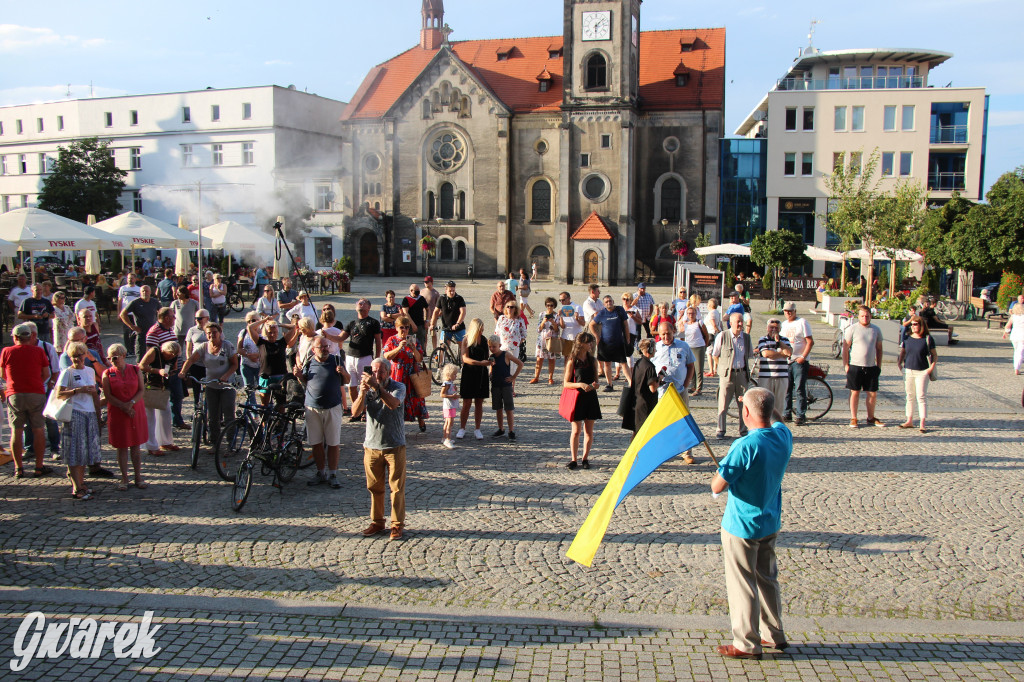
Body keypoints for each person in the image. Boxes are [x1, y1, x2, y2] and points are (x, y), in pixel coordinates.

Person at [710, 386, 792, 660]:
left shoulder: (745, 445)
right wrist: (761, 399)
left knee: (742, 584)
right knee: (767, 579)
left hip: (742, 525)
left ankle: (746, 643)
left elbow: (718, 485)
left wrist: (720, 472)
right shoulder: (783, 435)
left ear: (745, 411)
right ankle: (774, 634)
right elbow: (776, 418)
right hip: (770, 520)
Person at [352, 357, 407, 541]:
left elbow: (393, 404)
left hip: (394, 445)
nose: (376, 375)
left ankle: (397, 525)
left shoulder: (399, 387)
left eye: (380, 371)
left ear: (388, 373)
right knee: (374, 487)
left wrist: (377, 387)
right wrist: (361, 393)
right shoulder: (367, 389)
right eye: (374, 371)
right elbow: (355, 412)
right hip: (372, 446)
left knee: (396, 488)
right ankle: (377, 522)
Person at [294, 335, 349, 488]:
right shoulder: (309, 362)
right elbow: (305, 381)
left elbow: (348, 380)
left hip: (332, 407)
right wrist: (299, 376)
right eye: (321, 347)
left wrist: (343, 372)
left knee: (333, 443)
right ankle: (321, 472)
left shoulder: (336, 360)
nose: (325, 349)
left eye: (326, 346)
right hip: (312, 407)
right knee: (316, 442)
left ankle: (332, 474)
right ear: (313, 349)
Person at [1, 324, 52, 478]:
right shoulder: (38, 351)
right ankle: (38, 466)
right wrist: (36, 382)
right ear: (30, 337)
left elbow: (3, 374)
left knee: (16, 431)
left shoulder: (7, 351)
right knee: (38, 430)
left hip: (15, 394)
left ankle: (19, 468)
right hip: (36, 392)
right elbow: (46, 373)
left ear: (15, 338)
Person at [54, 342, 103, 500]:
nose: (78, 358)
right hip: (75, 413)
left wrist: (97, 412)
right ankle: (76, 486)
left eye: (80, 355)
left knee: (85, 451)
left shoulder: (89, 371)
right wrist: (77, 390)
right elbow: (59, 394)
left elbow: (95, 393)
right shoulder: (67, 372)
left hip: (89, 412)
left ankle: (82, 483)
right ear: (70, 357)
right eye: (74, 356)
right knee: (75, 450)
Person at [178, 322, 238, 448]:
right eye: (209, 333)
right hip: (211, 385)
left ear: (220, 333)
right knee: (212, 416)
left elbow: (234, 364)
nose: (211, 335)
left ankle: (230, 443)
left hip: (227, 386)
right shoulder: (204, 347)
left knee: (228, 415)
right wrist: (183, 372)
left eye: (214, 332)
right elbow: (191, 359)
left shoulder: (227, 346)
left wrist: (226, 376)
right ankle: (215, 443)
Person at [101, 343, 148, 491]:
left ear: (123, 355)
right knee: (121, 446)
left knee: (135, 445)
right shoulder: (107, 374)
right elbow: (108, 395)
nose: (112, 360)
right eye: (110, 358)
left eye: (115, 357)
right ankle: (124, 477)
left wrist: (131, 404)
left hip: (135, 410)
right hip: (118, 412)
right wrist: (123, 406)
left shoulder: (135, 370)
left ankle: (138, 476)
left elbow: (141, 390)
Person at [652, 320, 697, 463]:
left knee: (683, 421)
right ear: (659, 335)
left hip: (680, 390)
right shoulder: (655, 348)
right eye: (663, 334)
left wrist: (686, 383)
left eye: (668, 334)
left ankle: (687, 451)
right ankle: (663, 451)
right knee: (662, 422)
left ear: (674, 332)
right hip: (662, 392)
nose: (666, 337)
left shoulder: (683, 346)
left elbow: (691, 366)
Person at [382, 315, 428, 431]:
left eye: (407, 327)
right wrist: (398, 348)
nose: (404, 330)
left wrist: (413, 349)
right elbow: (386, 355)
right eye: (402, 327)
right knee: (398, 397)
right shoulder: (392, 340)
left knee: (416, 397)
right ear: (396, 328)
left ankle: (420, 420)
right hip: (397, 373)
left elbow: (419, 359)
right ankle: (398, 422)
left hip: (412, 373)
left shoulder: (413, 340)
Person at [712, 312, 754, 440]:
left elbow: (750, 355)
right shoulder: (722, 336)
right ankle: (721, 430)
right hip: (727, 375)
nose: (741, 324)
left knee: (744, 404)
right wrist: (722, 368)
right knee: (723, 404)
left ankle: (743, 430)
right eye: (738, 322)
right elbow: (715, 355)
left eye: (742, 321)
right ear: (731, 323)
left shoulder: (746, 338)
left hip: (742, 374)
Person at [563, 332, 601, 469]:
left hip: (590, 397)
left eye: (591, 342)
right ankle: (574, 459)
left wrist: (595, 385)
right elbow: (566, 384)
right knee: (576, 430)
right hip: (577, 398)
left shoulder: (593, 360)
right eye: (588, 342)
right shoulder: (572, 360)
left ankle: (585, 458)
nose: (591, 344)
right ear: (581, 344)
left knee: (589, 431)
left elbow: (596, 380)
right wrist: (580, 385)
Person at [843, 305, 884, 428]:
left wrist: (879, 365)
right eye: (862, 316)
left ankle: (871, 417)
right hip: (855, 365)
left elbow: (879, 349)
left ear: (870, 316)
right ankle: (854, 417)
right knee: (855, 392)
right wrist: (846, 364)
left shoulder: (876, 330)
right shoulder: (852, 329)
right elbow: (845, 348)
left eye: (867, 316)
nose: (865, 318)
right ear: (858, 317)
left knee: (872, 393)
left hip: (871, 366)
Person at [139, 340, 181, 456]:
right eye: (169, 354)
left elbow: (174, 368)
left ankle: (165, 441)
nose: (171, 356)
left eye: (174, 354)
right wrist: (158, 371)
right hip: (149, 386)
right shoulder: (155, 351)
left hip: (162, 387)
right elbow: (141, 366)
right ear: (164, 351)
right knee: (150, 416)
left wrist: (170, 372)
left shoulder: (174, 355)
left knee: (165, 413)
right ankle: (151, 446)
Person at [897, 315, 937, 433]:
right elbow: (903, 352)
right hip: (908, 370)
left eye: (915, 324)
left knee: (921, 396)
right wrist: (899, 363)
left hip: (922, 371)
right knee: (909, 396)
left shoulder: (927, 339)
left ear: (921, 325)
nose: (913, 327)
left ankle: (922, 422)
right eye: (912, 324)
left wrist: (931, 368)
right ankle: (909, 420)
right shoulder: (908, 338)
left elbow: (934, 355)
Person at [247, 316, 299, 406]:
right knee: (265, 407)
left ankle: (280, 421)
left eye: (274, 332)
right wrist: (264, 321)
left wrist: (277, 324)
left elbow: (293, 327)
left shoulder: (282, 342)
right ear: (266, 332)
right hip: (266, 377)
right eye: (270, 332)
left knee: (281, 406)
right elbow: (250, 327)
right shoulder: (261, 343)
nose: (272, 335)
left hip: (280, 377)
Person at [340, 298, 383, 405]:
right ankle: (356, 410)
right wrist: (327, 335)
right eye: (359, 303)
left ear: (369, 307)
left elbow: (378, 341)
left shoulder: (374, 322)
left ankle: (364, 410)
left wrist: (377, 359)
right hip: (350, 357)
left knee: (366, 385)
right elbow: (340, 338)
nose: (360, 304)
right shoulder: (352, 323)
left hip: (365, 357)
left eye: (363, 303)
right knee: (351, 386)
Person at [780, 302, 814, 425]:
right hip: (787, 360)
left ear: (795, 311)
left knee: (799, 389)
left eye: (790, 311)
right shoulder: (783, 325)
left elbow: (810, 341)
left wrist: (803, 356)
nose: (788, 313)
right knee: (786, 389)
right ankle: (786, 413)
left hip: (799, 361)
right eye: (786, 311)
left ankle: (800, 414)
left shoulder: (802, 322)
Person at [456, 318, 490, 440]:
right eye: (480, 328)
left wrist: (490, 362)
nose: (482, 330)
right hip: (469, 373)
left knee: (479, 402)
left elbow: (487, 355)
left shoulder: (484, 339)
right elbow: (465, 358)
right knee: (467, 402)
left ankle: (477, 428)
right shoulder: (467, 339)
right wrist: (480, 363)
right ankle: (462, 428)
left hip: (481, 374)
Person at [589, 295, 629, 391]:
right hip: (605, 343)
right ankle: (609, 384)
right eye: (606, 302)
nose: (609, 303)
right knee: (607, 364)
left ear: (613, 301)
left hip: (619, 342)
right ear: (604, 304)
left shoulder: (619, 310)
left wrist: (628, 338)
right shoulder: (602, 313)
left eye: (610, 301)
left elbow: (626, 325)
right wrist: (597, 336)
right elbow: (591, 324)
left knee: (623, 363)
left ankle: (631, 383)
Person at [487, 333, 523, 440]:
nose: (492, 349)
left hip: (506, 386)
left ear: (500, 345)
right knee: (498, 408)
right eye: (490, 347)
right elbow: (491, 369)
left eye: (494, 346)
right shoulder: (492, 357)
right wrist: (490, 373)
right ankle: (501, 428)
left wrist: (513, 377)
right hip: (496, 385)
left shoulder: (506, 355)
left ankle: (511, 430)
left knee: (509, 409)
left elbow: (520, 363)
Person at [756, 318, 792, 413]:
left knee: (779, 405)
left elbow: (789, 352)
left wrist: (779, 342)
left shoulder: (785, 340)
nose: (774, 330)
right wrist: (781, 354)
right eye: (771, 327)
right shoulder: (763, 339)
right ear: (767, 328)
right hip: (766, 377)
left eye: (776, 328)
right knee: (764, 404)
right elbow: (766, 354)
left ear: (780, 329)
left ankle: (777, 425)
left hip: (782, 377)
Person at [628, 338, 659, 437]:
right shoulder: (650, 366)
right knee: (644, 434)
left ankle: (633, 452)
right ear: (649, 350)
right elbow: (653, 388)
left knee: (636, 432)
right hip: (646, 404)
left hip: (637, 402)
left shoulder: (639, 363)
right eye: (654, 348)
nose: (655, 350)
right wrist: (659, 378)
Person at [120, 285, 161, 360]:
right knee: (140, 356)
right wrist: (132, 326)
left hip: (153, 333)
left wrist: (159, 325)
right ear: (140, 292)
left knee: (154, 355)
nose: (145, 292)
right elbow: (123, 314)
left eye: (147, 291)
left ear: (150, 292)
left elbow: (161, 312)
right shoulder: (135, 302)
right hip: (141, 333)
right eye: (143, 291)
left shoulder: (155, 302)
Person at [429, 280, 468, 358]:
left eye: (453, 290)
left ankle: (464, 365)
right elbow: (436, 312)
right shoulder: (441, 298)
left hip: (458, 327)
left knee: (463, 346)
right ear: (446, 290)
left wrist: (458, 323)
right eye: (450, 291)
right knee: (442, 346)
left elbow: (463, 312)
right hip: (446, 327)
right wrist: (432, 324)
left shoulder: (459, 298)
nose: (452, 292)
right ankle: (440, 366)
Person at [529, 297, 561, 384]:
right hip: (542, 339)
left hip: (552, 339)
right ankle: (536, 377)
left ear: (554, 306)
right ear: (545, 306)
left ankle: (550, 378)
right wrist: (543, 321)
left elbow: (557, 330)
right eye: (548, 305)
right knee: (539, 359)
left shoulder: (557, 316)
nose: (549, 307)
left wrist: (553, 323)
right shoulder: (542, 314)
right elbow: (538, 329)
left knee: (551, 359)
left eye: (551, 305)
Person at [679, 306, 709, 396]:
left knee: (699, 368)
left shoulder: (699, 323)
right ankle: (693, 386)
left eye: (692, 313)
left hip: (699, 347)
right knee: (691, 368)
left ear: (696, 314)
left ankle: (699, 388)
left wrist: (705, 346)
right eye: (689, 313)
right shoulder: (686, 324)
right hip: (689, 347)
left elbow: (706, 335)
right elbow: (682, 336)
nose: (691, 315)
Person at [117, 272, 142, 353]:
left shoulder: (139, 289)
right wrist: (119, 312)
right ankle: (127, 349)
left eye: (131, 278)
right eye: (128, 278)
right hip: (125, 314)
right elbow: (120, 301)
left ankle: (133, 348)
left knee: (134, 332)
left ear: (135, 279)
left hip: (135, 314)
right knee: (126, 332)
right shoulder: (123, 289)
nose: (130, 280)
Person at [557, 291, 585, 362]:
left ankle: (576, 373)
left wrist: (577, 319)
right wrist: (560, 316)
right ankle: (567, 372)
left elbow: (583, 323)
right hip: (566, 336)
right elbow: (562, 326)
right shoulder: (562, 309)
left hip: (577, 336)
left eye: (563, 300)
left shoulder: (577, 307)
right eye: (560, 300)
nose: (562, 302)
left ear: (569, 298)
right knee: (567, 358)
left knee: (578, 357)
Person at [237, 311, 262, 388]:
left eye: (253, 320)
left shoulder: (264, 332)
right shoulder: (243, 332)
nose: (251, 322)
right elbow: (239, 349)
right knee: (248, 389)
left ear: (259, 320)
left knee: (263, 389)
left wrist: (257, 355)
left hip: (261, 365)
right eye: (248, 321)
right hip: (246, 364)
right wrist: (248, 355)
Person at [402, 284, 430, 349]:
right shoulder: (406, 299)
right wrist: (413, 325)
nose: (418, 292)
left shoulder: (421, 298)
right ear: (411, 291)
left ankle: (421, 356)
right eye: (416, 290)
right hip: (410, 326)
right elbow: (405, 313)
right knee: (410, 345)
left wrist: (427, 320)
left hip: (420, 325)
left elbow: (428, 309)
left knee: (421, 344)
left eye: (418, 290)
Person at [439, 363, 460, 449]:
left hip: (451, 405)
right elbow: (442, 394)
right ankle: (447, 438)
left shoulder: (450, 383)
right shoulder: (446, 383)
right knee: (449, 423)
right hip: (448, 406)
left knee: (448, 422)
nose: (456, 376)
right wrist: (452, 396)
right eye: (454, 374)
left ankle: (444, 437)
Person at [1002, 297, 1024, 375]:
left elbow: (1008, 326)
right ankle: (1017, 368)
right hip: (1022, 336)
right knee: (1020, 352)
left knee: (1016, 351)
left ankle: (1016, 367)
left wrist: (1006, 333)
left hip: (1014, 335)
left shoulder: (1013, 316)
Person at [421, 276, 441, 350]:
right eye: (425, 282)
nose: (425, 283)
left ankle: (434, 349)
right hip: (423, 316)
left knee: (433, 334)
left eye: (427, 282)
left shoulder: (435, 293)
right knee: (424, 334)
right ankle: (424, 349)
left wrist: (436, 316)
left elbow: (439, 307)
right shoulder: (422, 292)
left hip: (432, 317)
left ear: (431, 282)